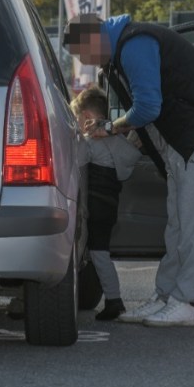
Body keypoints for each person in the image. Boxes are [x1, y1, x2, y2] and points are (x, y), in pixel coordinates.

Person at [63, 13, 194, 327]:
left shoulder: (135, 45)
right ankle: (165, 295)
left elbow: (147, 107)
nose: (84, 60)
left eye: (82, 53)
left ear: (93, 38)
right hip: (187, 133)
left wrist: (110, 127)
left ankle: (186, 301)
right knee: (177, 224)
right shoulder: (124, 49)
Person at [70, 85, 141, 321]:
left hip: (95, 207)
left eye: (78, 119)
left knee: (94, 253)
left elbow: (77, 160)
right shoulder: (118, 143)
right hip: (109, 206)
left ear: (88, 118)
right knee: (101, 253)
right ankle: (113, 299)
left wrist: (76, 139)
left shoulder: (92, 141)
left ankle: (114, 300)